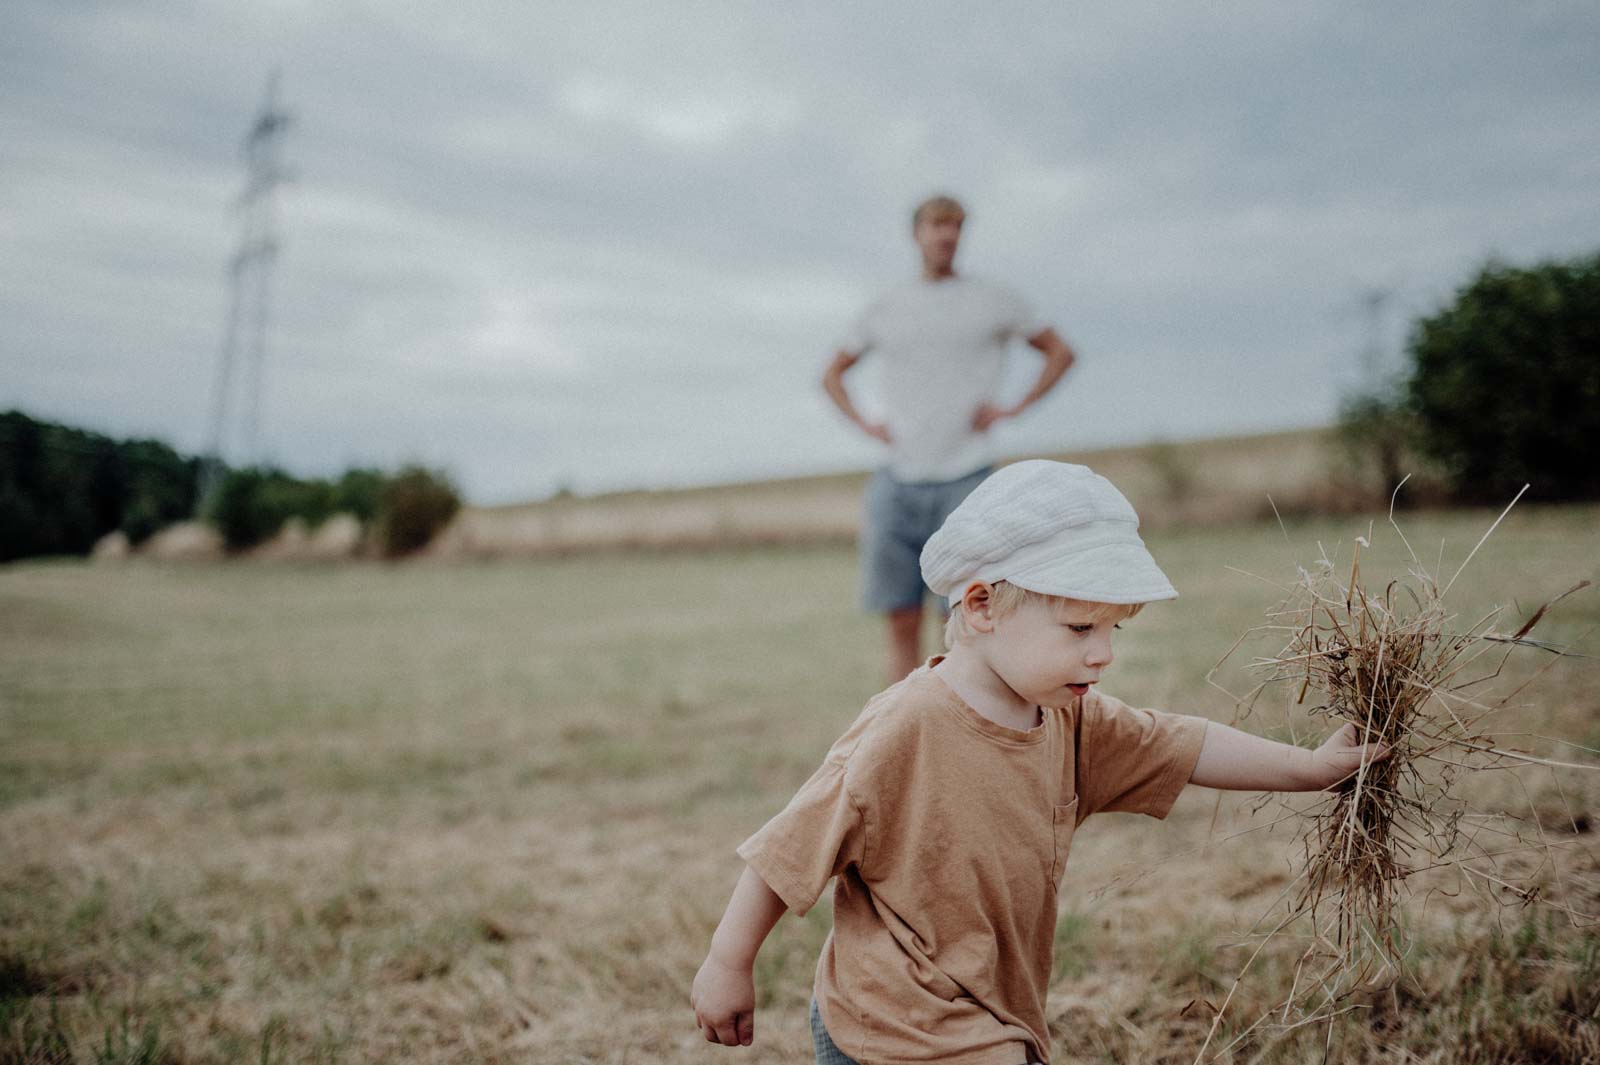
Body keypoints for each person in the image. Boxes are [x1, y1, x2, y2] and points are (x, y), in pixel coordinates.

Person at [690, 461, 1389, 1064]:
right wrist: (729, 961)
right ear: (983, 604)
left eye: (1113, 628)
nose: (1103, 652)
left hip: (997, 1011)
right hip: (894, 1024)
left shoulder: (1068, 716)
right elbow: (788, 850)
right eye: (1081, 627)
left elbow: (1183, 742)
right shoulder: (907, 724)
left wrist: (1309, 767)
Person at [822, 194, 1080, 683]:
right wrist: (865, 423)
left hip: (968, 478)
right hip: (896, 480)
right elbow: (833, 374)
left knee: (962, 622)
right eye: (937, 225)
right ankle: (901, 734)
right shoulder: (887, 306)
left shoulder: (993, 298)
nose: (947, 235)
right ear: (916, 233)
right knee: (900, 620)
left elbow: (1060, 352)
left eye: (956, 226)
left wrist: (1014, 407)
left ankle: (957, 734)